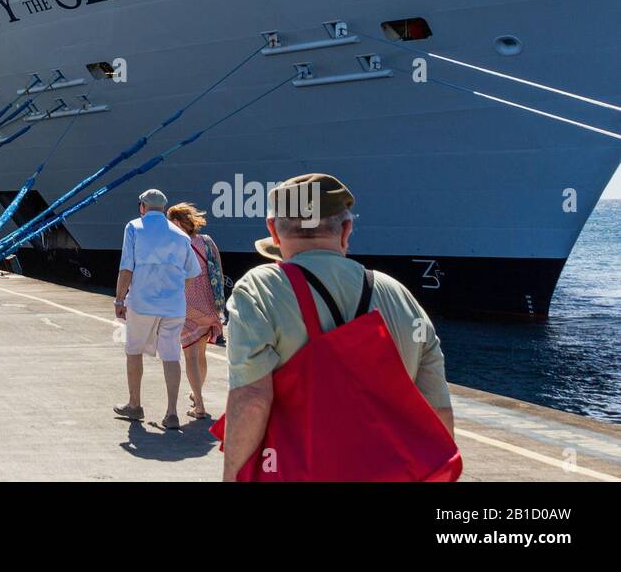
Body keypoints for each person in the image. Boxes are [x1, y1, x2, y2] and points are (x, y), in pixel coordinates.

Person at [221, 173, 455, 482]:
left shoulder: (260, 289)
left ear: (273, 232)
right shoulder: (399, 296)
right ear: (346, 230)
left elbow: (251, 399)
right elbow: (436, 412)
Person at [113, 188, 200, 431]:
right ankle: (171, 413)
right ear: (164, 208)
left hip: (142, 302)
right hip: (173, 306)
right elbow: (192, 273)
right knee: (171, 356)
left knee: (134, 351)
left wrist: (119, 300)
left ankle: (134, 405)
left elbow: (126, 267)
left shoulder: (133, 228)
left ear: (142, 206)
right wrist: (174, 291)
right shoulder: (181, 235)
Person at [167, 202, 225, 420]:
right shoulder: (207, 240)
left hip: (187, 302)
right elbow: (218, 270)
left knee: (189, 354)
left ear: (177, 223)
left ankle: (199, 405)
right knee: (200, 353)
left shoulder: (176, 243)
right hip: (209, 303)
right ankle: (195, 392)